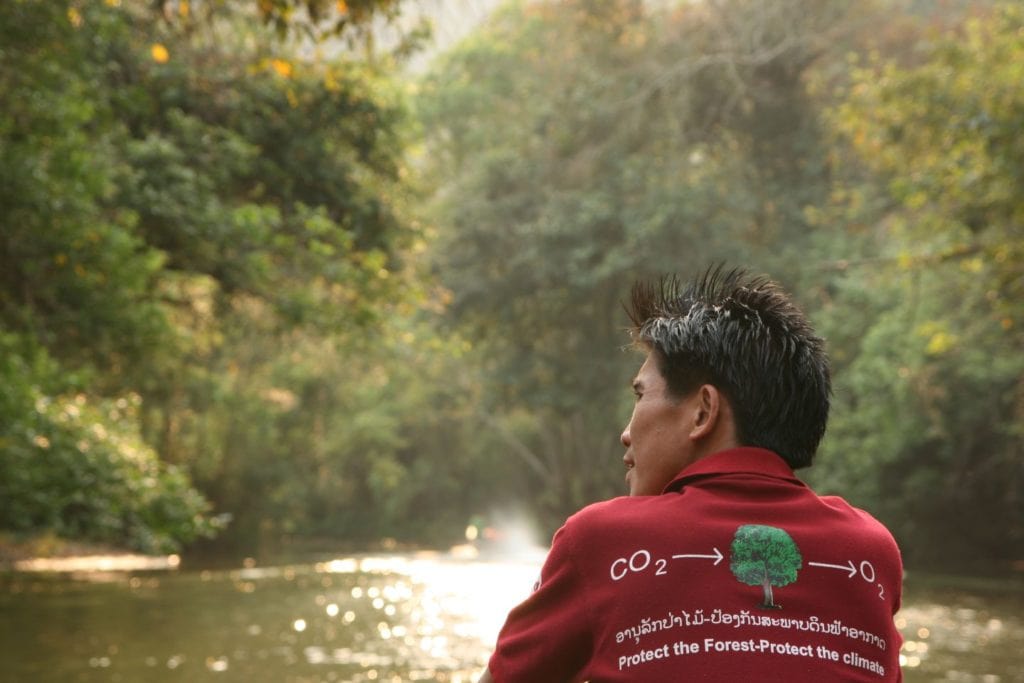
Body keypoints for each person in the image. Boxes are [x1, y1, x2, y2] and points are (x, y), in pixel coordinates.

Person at [477, 265, 904, 682]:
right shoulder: (871, 553)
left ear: (703, 411)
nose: (626, 434)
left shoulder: (601, 540)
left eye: (640, 395)